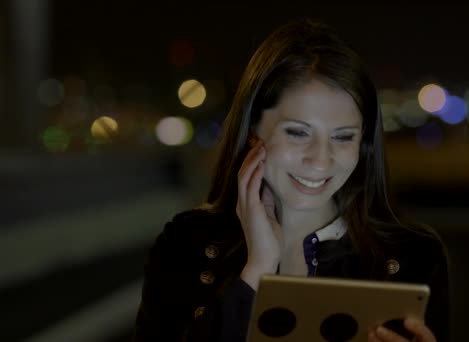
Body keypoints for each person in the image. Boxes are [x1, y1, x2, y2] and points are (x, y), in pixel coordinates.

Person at [133, 19, 449, 342]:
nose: (320, 159)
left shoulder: (414, 258)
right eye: (298, 133)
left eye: (343, 137)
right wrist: (257, 270)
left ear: (364, 144)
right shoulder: (187, 244)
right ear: (254, 131)